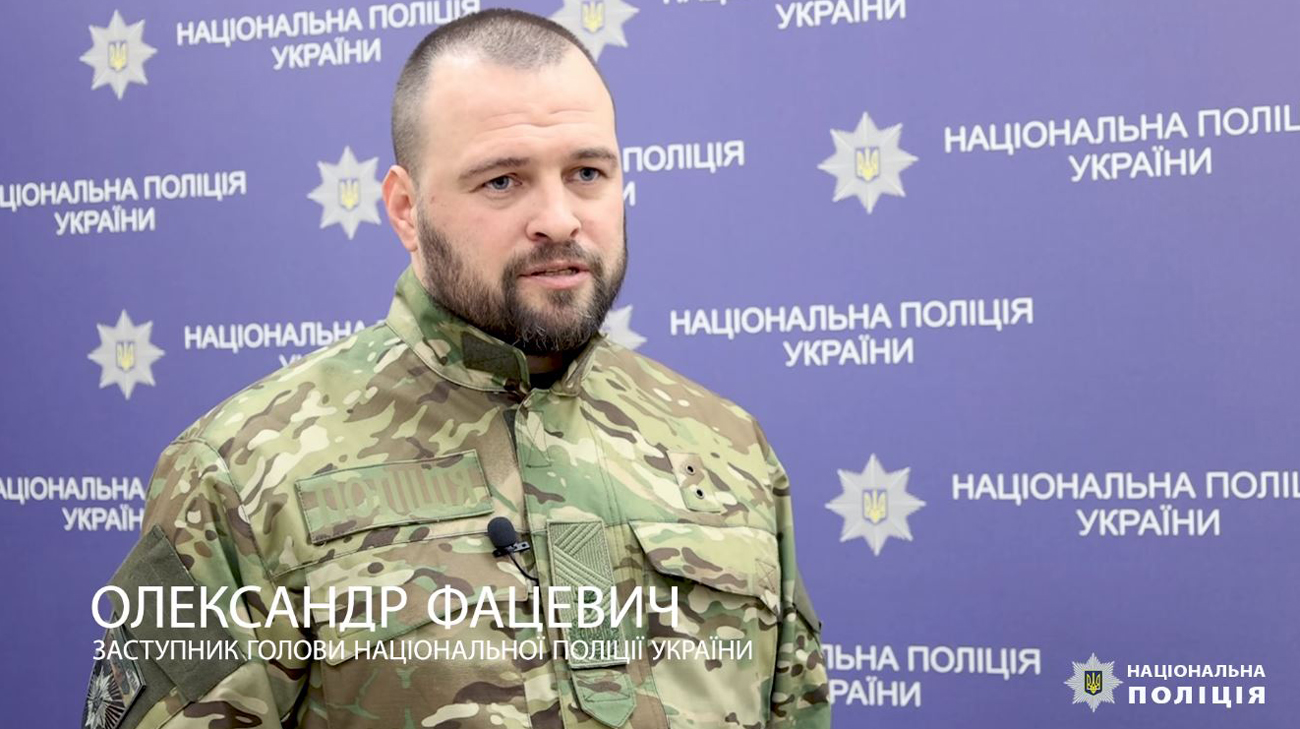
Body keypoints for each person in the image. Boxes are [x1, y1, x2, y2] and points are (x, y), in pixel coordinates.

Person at [82, 9, 829, 729]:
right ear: (406, 209)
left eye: (587, 172)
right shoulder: (239, 474)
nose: (559, 217)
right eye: (502, 180)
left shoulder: (729, 448)